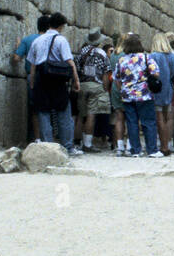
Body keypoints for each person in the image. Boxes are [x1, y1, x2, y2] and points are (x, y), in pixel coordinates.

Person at [26, 12, 81, 154]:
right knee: (64, 112)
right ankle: (68, 147)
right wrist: (76, 81)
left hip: (41, 79)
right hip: (58, 80)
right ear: (61, 26)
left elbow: (32, 65)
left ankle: (48, 148)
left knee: (43, 113)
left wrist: (32, 83)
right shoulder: (61, 40)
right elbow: (70, 62)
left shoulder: (37, 40)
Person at [113, 34, 162, 158]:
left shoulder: (121, 60)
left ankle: (135, 150)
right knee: (148, 122)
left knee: (132, 122)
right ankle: (152, 150)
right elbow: (156, 73)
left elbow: (116, 78)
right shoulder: (146, 57)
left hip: (127, 95)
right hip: (144, 94)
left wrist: (123, 90)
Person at [12, 13, 50, 143]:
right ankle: (50, 139)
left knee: (35, 108)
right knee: (49, 107)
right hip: (51, 76)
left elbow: (16, 58)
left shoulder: (28, 40)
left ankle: (38, 139)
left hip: (32, 76)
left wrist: (18, 46)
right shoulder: (53, 39)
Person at [75, 29, 111, 153]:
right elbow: (106, 73)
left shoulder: (81, 52)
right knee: (91, 115)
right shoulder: (102, 53)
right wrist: (105, 89)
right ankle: (87, 144)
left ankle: (76, 143)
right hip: (96, 85)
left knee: (80, 115)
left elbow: (77, 68)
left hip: (82, 85)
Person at [149, 33, 174, 157]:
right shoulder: (173, 57)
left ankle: (163, 146)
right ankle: (166, 145)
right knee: (166, 118)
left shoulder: (153, 56)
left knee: (159, 118)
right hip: (168, 90)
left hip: (156, 90)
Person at [108, 33, 127, 154]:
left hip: (115, 86)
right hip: (127, 87)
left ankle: (119, 146)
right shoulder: (127, 55)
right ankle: (130, 145)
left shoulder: (113, 55)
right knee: (130, 118)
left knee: (118, 118)